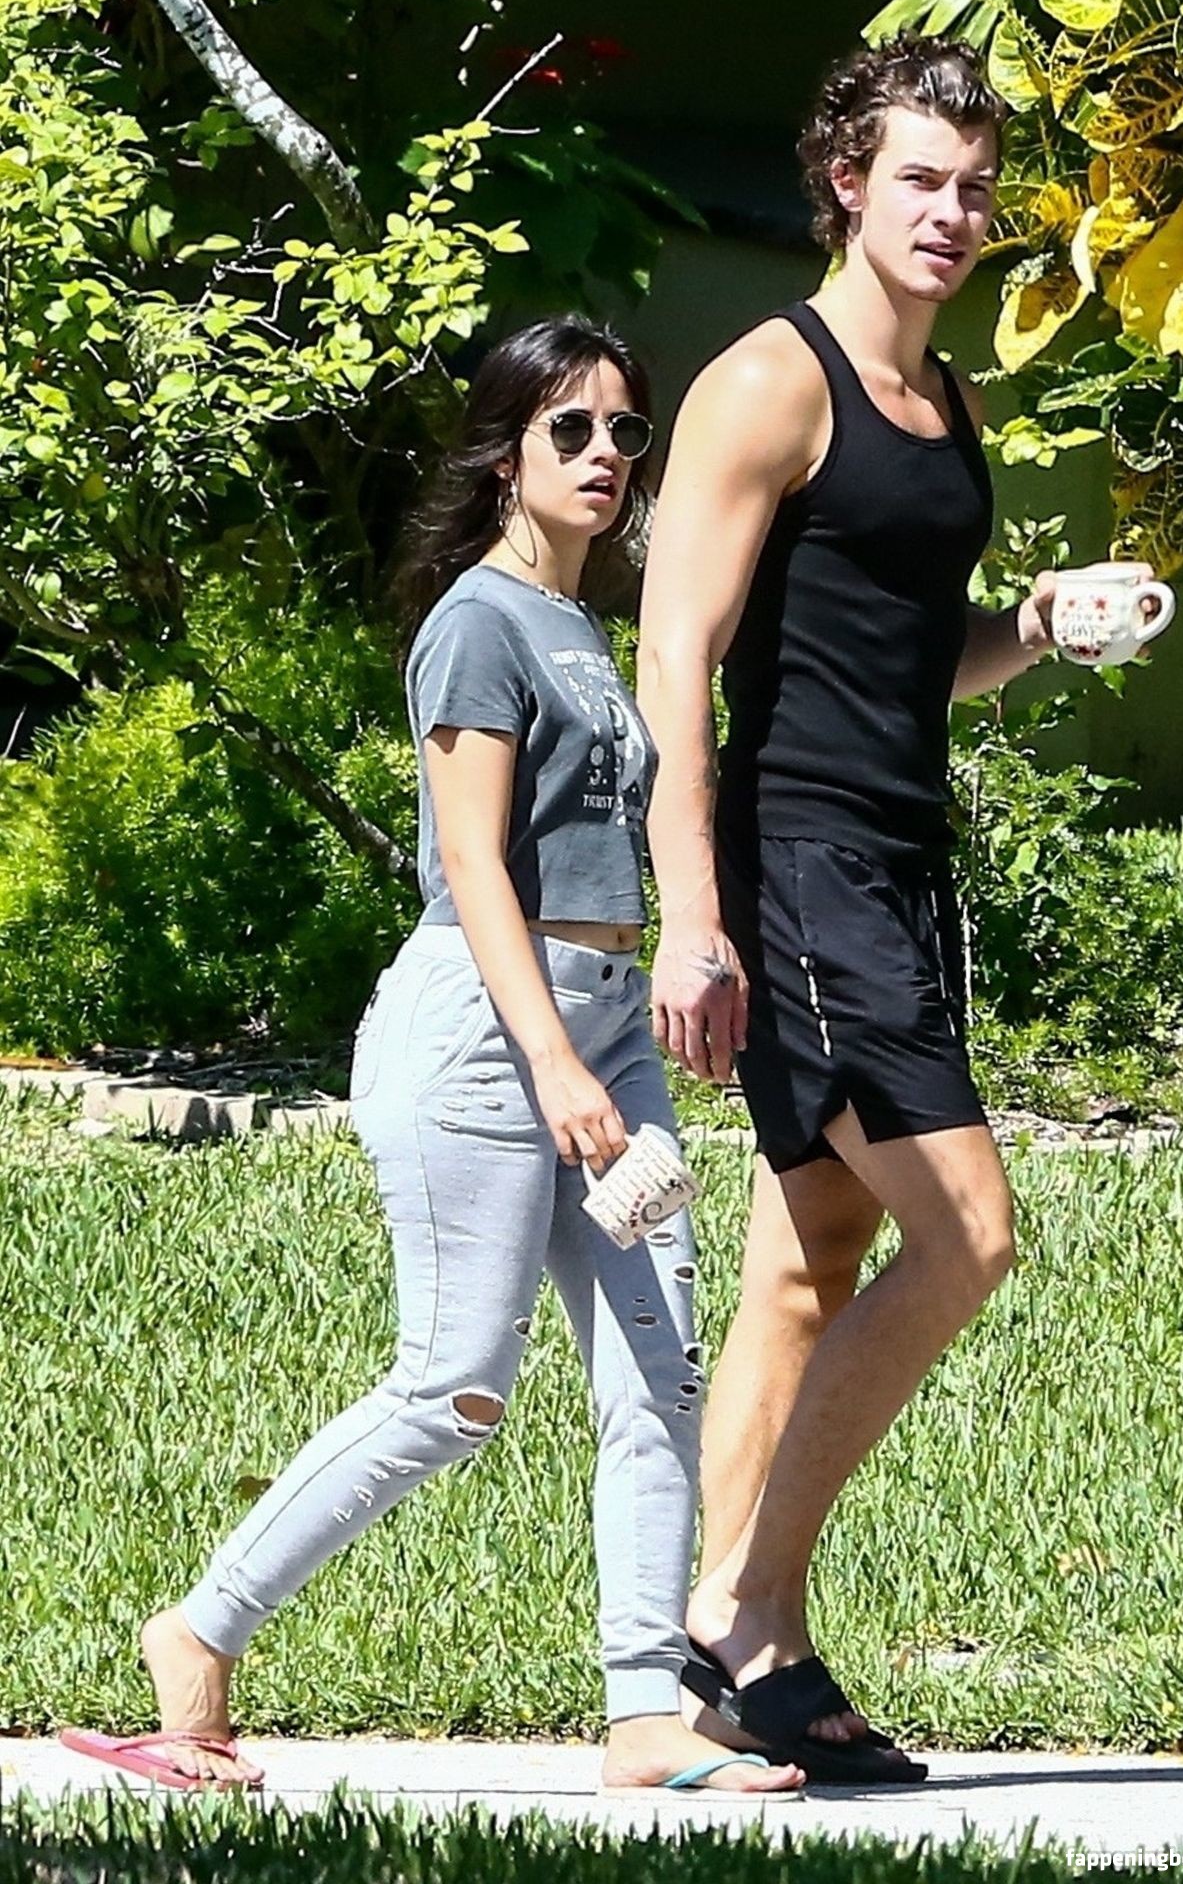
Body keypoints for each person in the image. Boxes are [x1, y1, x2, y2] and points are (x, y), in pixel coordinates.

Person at [61, 316, 803, 1798]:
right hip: (484, 1029)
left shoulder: (579, 627)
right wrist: (557, 1066)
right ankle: (198, 1634)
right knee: (457, 1387)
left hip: (602, 1022)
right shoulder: (477, 621)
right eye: (570, 429)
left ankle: (644, 1713)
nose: (605, 455)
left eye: (626, 431)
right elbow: (471, 867)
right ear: (506, 451)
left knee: (657, 1375)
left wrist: (656, 990)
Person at [636, 35, 1162, 1784]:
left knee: (811, 1258)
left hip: (896, 860)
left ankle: (701, 1670)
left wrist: (1039, 631)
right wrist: (691, 918)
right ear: (847, 182)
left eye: (976, 187)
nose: (953, 212)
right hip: (797, 867)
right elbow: (677, 660)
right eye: (921, 179)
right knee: (968, 1234)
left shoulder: (944, 405)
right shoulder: (767, 384)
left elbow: (910, 667)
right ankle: (750, 1614)